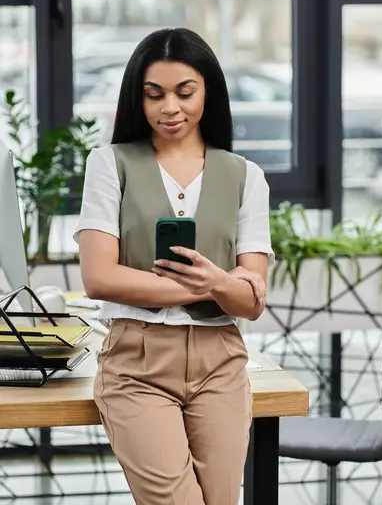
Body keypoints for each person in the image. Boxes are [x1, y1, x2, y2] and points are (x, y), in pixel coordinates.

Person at [74, 27, 274, 505]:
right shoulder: (110, 164)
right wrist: (216, 284)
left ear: (208, 90)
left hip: (221, 362)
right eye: (154, 94)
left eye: (185, 92)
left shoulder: (246, 176)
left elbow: (252, 304)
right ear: (136, 99)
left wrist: (232, 289)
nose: (170, 108)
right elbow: (100, 278)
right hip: (136, 365)